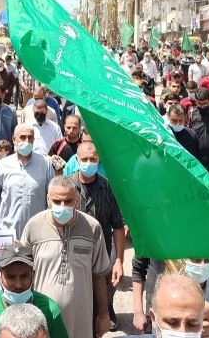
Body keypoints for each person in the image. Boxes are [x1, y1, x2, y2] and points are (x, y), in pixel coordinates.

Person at [21, 176, 111, 338]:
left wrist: (104, 314)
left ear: (76, 200)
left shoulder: (92, 228)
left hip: (81, 322)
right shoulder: (33, 227)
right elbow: (22, 273)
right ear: (48, 199)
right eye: (57, 201)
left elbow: (99, 276)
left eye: (68, 201)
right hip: (42, 320)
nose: (62, 206)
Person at [68, 141, 125, 331]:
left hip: (102, 257)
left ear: (98, 160)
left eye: (93, 159)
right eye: (84, 159)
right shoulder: (67, 187)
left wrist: (118, 261)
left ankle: (105, 312)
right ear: (77, 160)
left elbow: (117, 226)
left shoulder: (108, 188)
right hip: (73, 259)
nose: (88, 163)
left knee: (102, 302)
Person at [0, 244, 69, 338]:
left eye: (24, 276)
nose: (18, 284)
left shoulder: (50, 310)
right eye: (10, 277)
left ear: (33, 275)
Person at [0, 125, 54, 238]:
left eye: (30, 138)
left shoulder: (45, 163)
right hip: (6, 231)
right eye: (23, 137)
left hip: (37, 232)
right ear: (14, 139)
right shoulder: (3, 165)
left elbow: (53, 196)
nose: (27, 141)